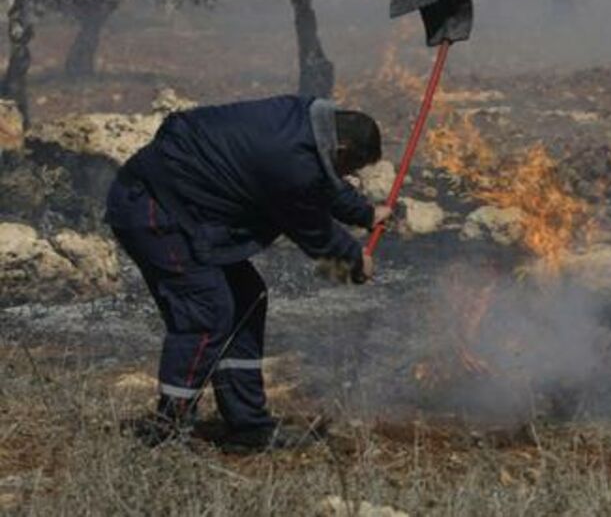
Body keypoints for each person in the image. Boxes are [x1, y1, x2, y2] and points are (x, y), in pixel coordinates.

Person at [105, 95, 396, 452]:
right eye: (351, 166)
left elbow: (321, 181)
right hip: (152, 207)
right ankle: (168, 432)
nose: (348, 175)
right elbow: (312, 230)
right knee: (207, 311)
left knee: (247, 298)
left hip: (192, 210)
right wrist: (354, 262)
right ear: (343, 146)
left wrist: (364, 213)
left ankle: (248, 425)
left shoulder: (305, 123)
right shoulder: (289, 161)